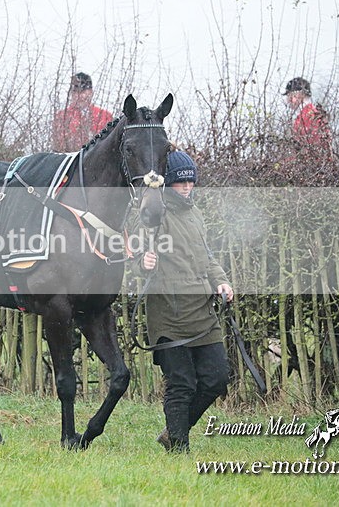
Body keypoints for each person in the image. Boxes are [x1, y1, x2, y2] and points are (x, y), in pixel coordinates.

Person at [140, 150, 234, 453]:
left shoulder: (195, 214)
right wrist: (143, 259)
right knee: (181, 383)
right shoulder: (156, 213)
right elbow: (136, 244)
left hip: (201, 310)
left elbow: (206, 257)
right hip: (167, 310)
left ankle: (173, 432)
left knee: (217, 378)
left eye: (191, 182)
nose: (187, 187)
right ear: (168, 184)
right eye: (180, 183)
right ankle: (179, 449)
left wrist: (221, 280)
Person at [51, 72, 113, 153]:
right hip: (71, 160)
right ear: (71, 94)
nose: (80, 96)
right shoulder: (62, 117)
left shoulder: (105, 116)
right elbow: (58, 146)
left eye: (83, 91)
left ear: (91, 92)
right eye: (76, 92)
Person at [283, 77, 332, 154]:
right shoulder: (307, 114)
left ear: (300, 94)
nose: (288, 100)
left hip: (311, 163)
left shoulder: (308, 116)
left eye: (290, 95)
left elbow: (312, 146)